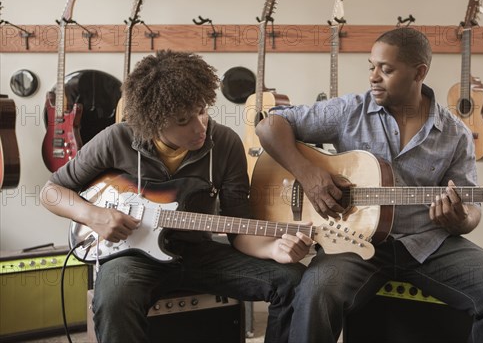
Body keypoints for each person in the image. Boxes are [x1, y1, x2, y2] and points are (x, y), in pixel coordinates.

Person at [255, 27, 483, 343]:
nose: (374, 76)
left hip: (428, 244)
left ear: (419, 73)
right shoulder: (349, 111)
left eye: (385, 69)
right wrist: (309, 175)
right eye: (371, 66)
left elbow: (472, 208)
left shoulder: (455, 133)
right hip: (355, 243)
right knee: (316, 292)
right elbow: (269, 126)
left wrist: (460, 220)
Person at [40, 50, 311, 343]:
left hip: (200, 254)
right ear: (153, 120)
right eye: (183, 120)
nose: (199, 127)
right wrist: (94, 216)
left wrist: (274, 250)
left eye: (202, 111)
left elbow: (239, 227)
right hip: (133, 258)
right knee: (113, 299)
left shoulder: (225, 143)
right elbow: (51, 191)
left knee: (292, 278)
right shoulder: (116, 139)